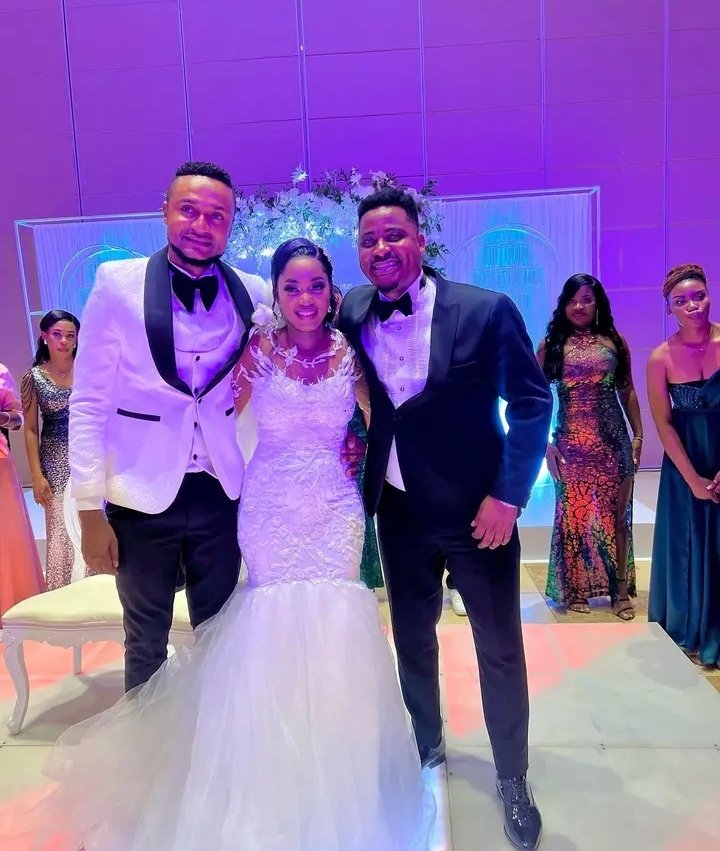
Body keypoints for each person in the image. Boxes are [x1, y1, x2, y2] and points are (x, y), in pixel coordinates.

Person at [16, 239, 432, 851]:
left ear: (332, 291)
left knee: (337, 623)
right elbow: (210, 412)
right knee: (268, 624)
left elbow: (383, 417)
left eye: (316, 286)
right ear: (276, 294)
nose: (305, 298)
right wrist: (133, 456)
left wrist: (368, 454)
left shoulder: (350, 351)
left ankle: (337, 772)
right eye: (291, 287)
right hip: (269, 504)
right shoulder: (258, 349)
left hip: (334, 506)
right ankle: (260, 778)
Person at [339, 187, 552, 850]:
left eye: (394, 235)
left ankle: (512, 776)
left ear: (420, 240)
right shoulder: (351, 309)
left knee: (499, 646)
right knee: (412, 638)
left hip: (476, 512)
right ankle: (427, 746)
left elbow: (532, 402)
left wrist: (508, 497)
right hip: (398, 509)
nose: (381, 248)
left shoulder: (485, 310)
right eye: (369, 240)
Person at [69, 161, 270, 692]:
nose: (202, 224)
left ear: (231, 224)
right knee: (145, 640)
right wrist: (89, 510)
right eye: (189, 210)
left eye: (217, 215)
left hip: (220, 490)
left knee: (220, 636)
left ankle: (213, 735)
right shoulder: (117, 283)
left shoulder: (252, 292)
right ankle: (147, 740)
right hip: (139, 493)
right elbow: (88, 402)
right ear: (164, 212)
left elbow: (263, 379)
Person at [537, 275, 643, 619]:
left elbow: (627, 389)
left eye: (586, 299)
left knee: (618, 518)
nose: (578, 306)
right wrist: (545, 445)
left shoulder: (614, 341)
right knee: (574, 519)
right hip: (570, 447)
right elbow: (535, 399)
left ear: (598, 303)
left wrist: (638, 436)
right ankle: (577, 588)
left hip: (614, 444)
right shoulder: (552, 345)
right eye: (572, 300)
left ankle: (620, 591)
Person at [648, 263, 720, 668]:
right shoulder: (660, 357)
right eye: (681, 301)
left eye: (699, 296)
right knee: (688, 547)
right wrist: (692, 479)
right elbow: (664, 423)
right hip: (686, 463)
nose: (692, 306)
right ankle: (691, 627)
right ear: (669, 309)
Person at [21, 310, 81, 590]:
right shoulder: (33, 377)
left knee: (95, 518)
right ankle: (62, 594)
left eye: (70, 335)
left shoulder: (90, 370)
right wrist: (36, 475)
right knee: (59, 528)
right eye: (57, 334)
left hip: (89, 454)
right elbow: (31, 430)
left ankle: (100, 589)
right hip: (54, 460)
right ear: (45, 337)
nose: (64, 341)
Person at [0, 363, 45, 621]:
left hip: (0, 464)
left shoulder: (1, 372)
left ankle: (12, 605)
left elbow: (18, 418)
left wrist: (2, 418)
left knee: (7, 533)